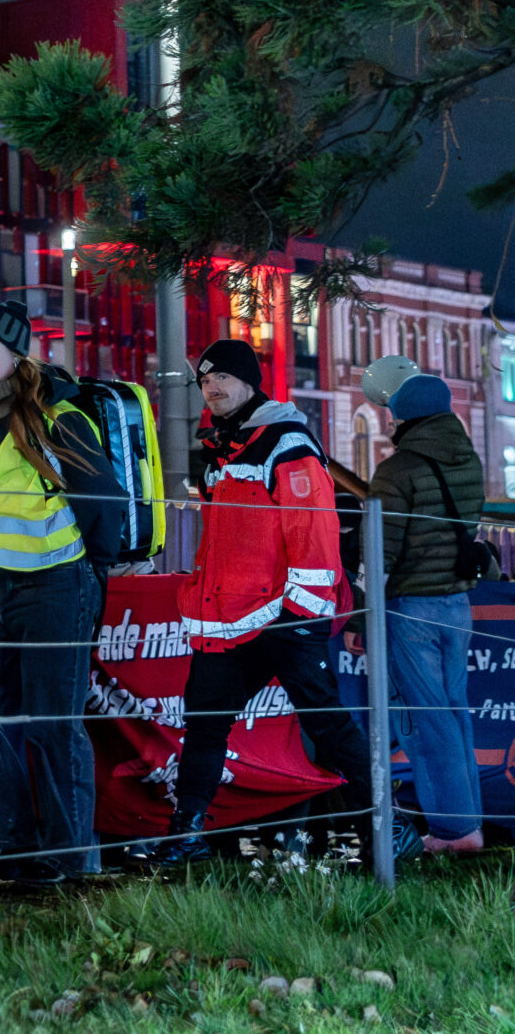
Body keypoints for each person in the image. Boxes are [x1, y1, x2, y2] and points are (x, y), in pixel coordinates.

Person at [148, 338, 374, 865]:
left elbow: (314, 530)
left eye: (223, 378)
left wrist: (301, 612)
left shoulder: (286, 441)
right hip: (228, 621)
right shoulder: (222, 449)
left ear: (250, 382)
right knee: (205, 724)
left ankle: (385, 825)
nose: (213, 389)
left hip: (285, 616)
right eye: (205, 381)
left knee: (328, 726)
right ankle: (185, 834)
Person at [0, 300, 122, 887]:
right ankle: (12, 842)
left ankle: (68, 861)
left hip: (55, 582)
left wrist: (90, 578)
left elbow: (105, 503)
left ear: (16, 356)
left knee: (52, 723)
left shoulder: (57, 415)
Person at [363, 372, 486, 856]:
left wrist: (360, 615)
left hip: (412, 607)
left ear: (402, 416)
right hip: (457, 604)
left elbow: (380, 552)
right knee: (455, 715)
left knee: (425, 719)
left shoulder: (397, 471)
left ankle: (455, 833)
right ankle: (469, 823)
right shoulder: (469, 459)